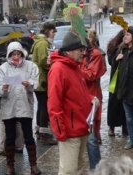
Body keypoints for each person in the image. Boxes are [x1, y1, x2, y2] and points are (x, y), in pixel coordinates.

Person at [48, 31, 99, 175]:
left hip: (81, 127)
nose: (83, 53)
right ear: (69, 51)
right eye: (79, 50)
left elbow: (80, 93)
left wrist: (90, 99)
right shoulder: (58, 69)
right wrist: (60, 132)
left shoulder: (75, 67)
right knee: (69, 171)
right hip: (69, 131)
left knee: (79, 169)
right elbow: (54, 104)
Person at [0, 41, 41, 175]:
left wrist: (29, 84)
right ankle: (10, 166)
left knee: (28, 136)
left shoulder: (31, 66)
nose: (16, 56)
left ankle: (33, 165)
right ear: (9, 54)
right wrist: (2, 88)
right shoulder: (3, 67)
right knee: (10, 136)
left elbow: (35, 82)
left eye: (18, 53)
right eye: (13, 54)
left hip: (25, 105)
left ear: (22, 53)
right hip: (9, 105)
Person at [79, 29, 106, 169]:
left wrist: (75, 69)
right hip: (77, 98)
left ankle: (97, 169)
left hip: (92, 98)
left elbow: (91, 75)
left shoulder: (95, 54)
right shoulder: (78, 54)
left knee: (91, 138)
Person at [31, 22, 57, 145]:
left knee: (42, 106)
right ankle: (44, 134)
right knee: (44, 107)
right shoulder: (42, 43)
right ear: (47, 31)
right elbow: (43, 61)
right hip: (42, 80)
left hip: (40, 80)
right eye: (53, 32)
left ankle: (39, 130)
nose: (54, 34)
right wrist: (52, 64)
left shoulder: (41, 42)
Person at [106, 30, 127, 137]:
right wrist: (116, 58)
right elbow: (110, 61)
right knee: (114, 103)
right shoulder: (113, 46)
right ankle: (112, 127)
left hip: (126, 79)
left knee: (125, 104)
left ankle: (125, 127)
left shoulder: (129, 46)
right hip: (115, 78)